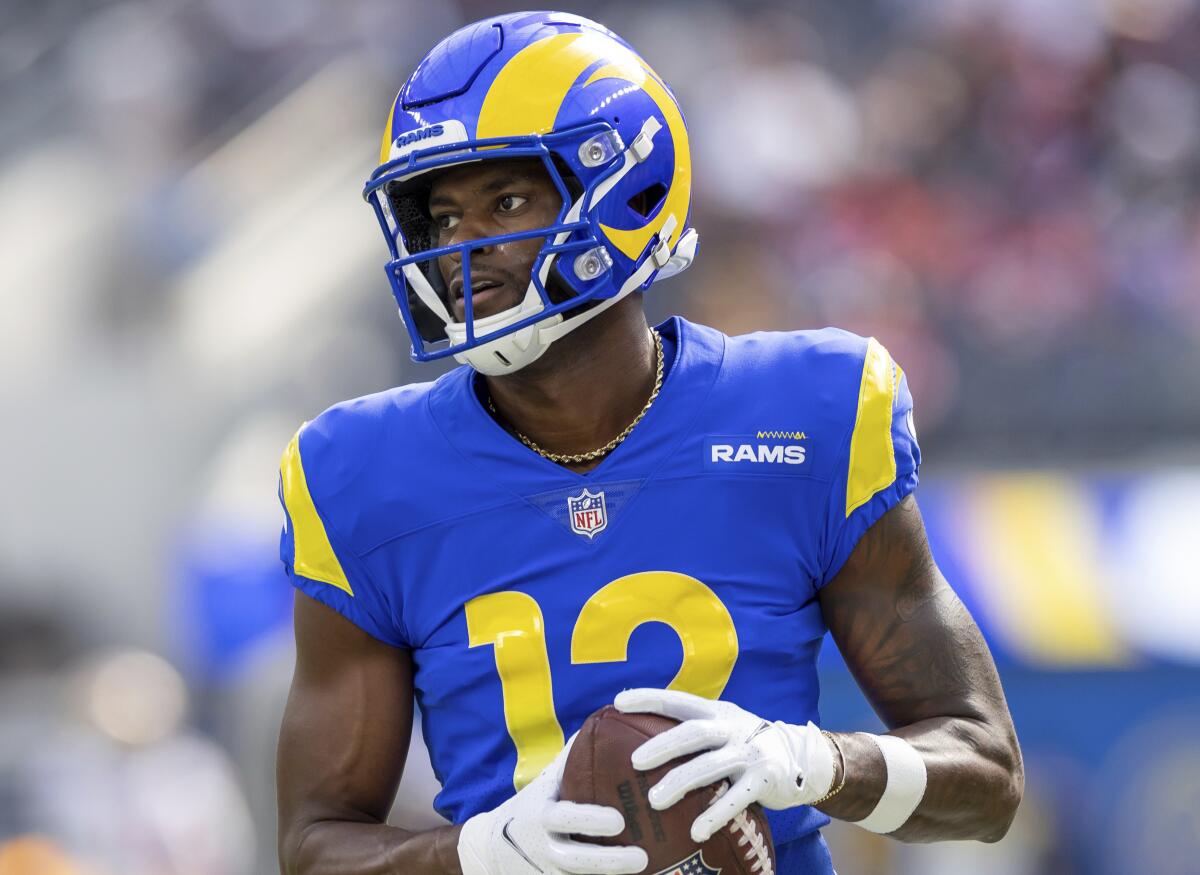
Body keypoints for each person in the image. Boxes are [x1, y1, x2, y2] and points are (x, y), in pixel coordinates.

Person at [275, 12, 1023, 875]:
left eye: (507, 202)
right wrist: (481, 852)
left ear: (628, 191)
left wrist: (813, 763)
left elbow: (989, 776)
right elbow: (311, 846)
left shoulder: (806, 412)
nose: (460, 252)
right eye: (442, 216)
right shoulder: (362, 473)